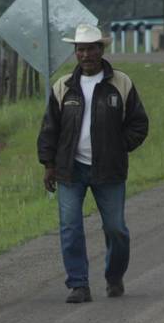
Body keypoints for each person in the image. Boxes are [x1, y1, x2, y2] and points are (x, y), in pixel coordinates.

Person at [37, 24, 149, 303]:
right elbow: (49, 129)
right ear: (75, 52)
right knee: (70, 226)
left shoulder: (121, 83)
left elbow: (139, 124)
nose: (86, 54)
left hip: (109, 170)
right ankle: (78, 284)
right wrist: (48, 164)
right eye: (80, 49)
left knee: (116, 229)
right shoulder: (63, 86)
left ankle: (114, 276)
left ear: (102, 50)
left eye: (91, 49)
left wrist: (119, 146)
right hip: (70, 170)